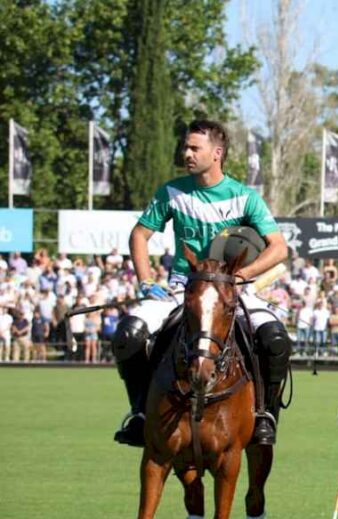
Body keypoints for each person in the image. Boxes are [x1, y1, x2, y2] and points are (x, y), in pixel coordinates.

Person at [111, 119, 291, 448]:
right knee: (128, 334)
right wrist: (146, 280)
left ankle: (265, 414)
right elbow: (140, 234)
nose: (187, 153)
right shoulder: (171, 191)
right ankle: (139, 413)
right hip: (183, 287)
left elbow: (279, 247)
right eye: (186, 147)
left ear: (217, 153)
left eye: (195, 148)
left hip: (231, 291)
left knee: (274, 338)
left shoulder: (244, 197)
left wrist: (241, 277)